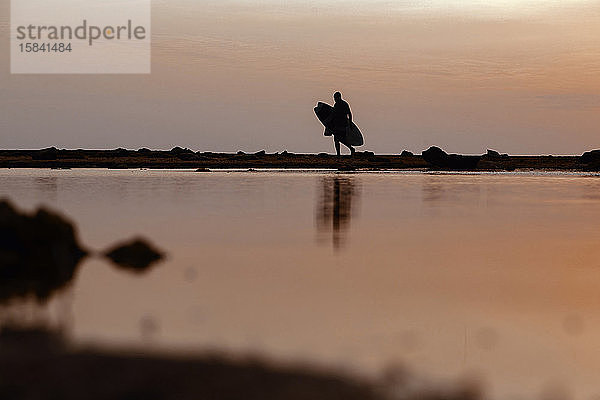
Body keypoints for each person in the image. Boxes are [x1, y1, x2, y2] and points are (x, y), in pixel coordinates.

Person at [330, 92, 355, 156]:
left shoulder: (343, 104)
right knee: (338, 139)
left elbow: (349, 113)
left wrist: (350, 123)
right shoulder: (337, 104)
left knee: (340, 139)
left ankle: (349, 149)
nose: (334, 99)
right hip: (338, 124)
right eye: (334, 98)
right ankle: (340, 153)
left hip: (342, 124)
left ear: (339, 97)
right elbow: (333, 115)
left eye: (335, 98)